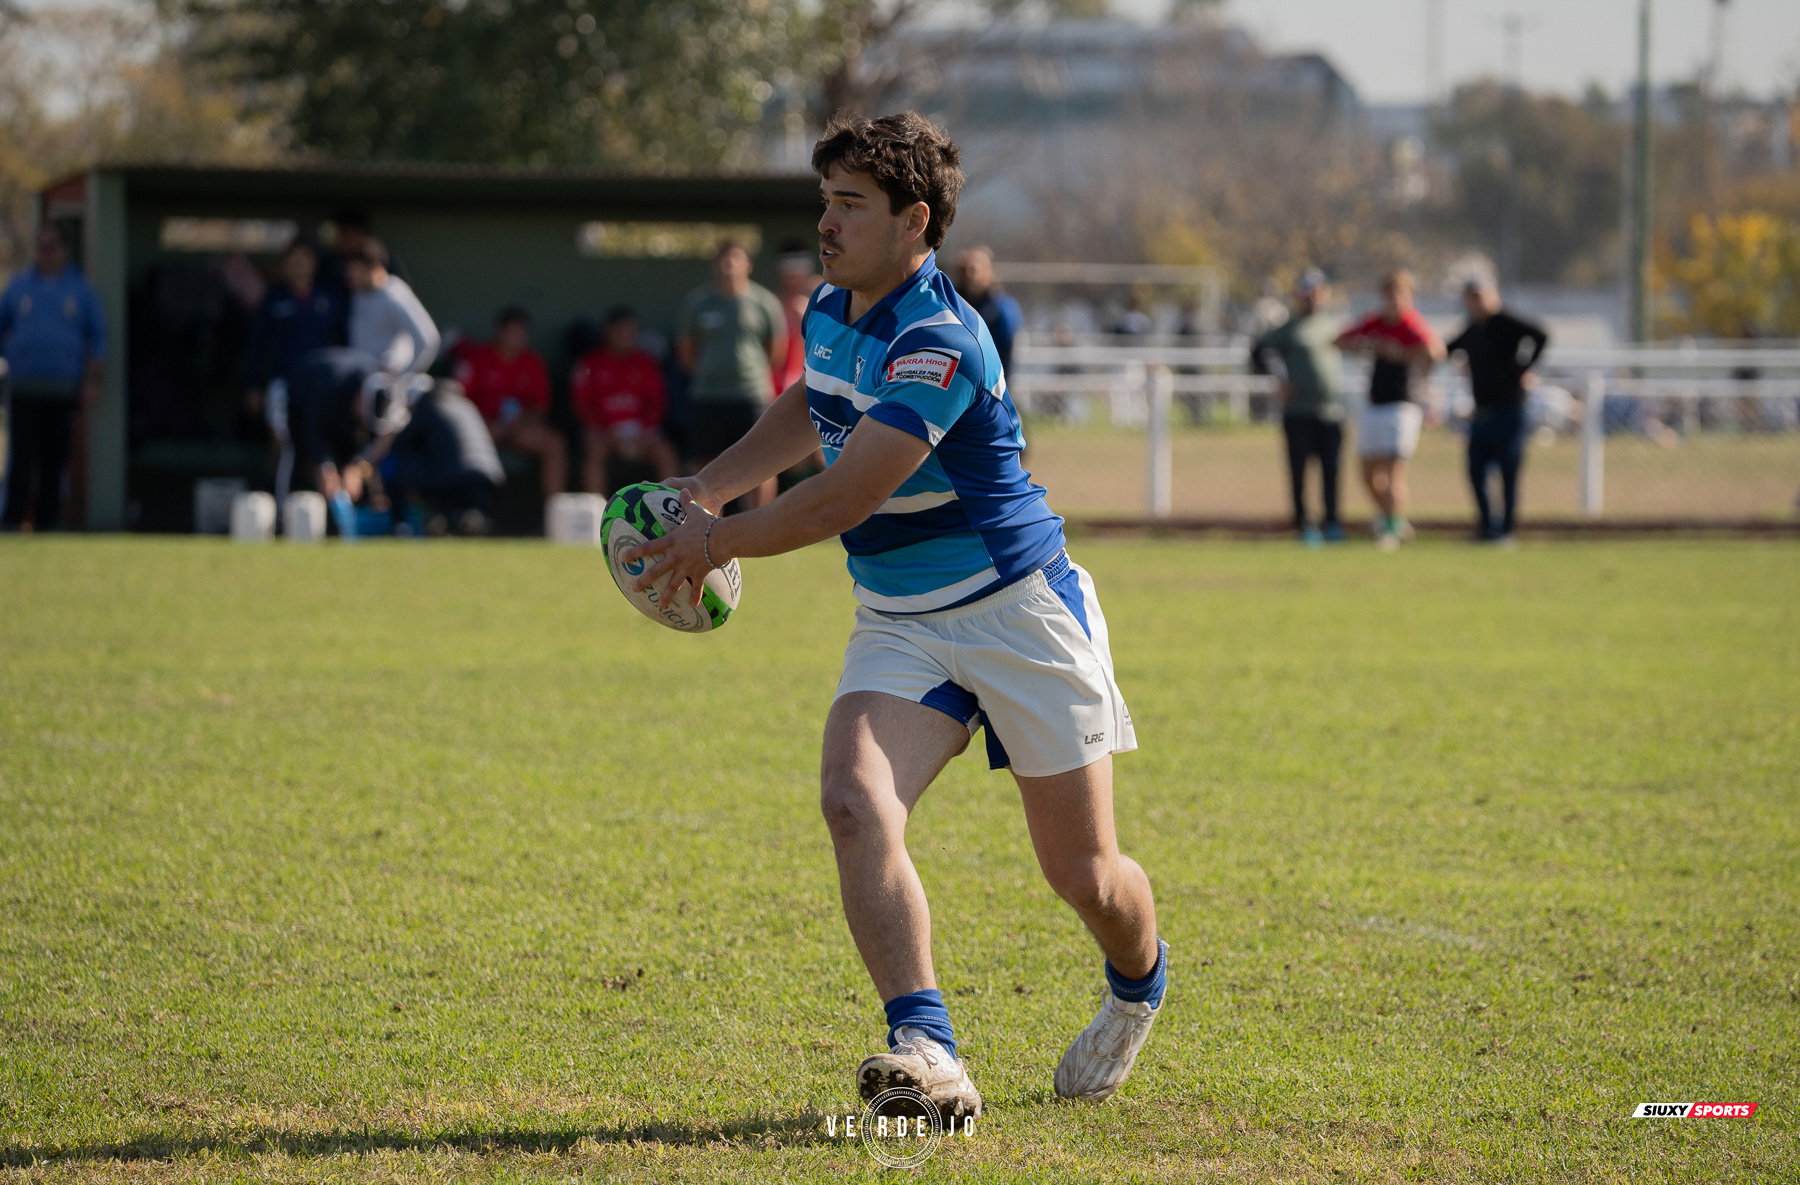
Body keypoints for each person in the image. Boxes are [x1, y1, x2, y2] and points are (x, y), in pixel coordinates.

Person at [624, 112, 1165, 1123]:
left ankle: (1138, 987)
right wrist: (712, 485)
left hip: (1020, 613)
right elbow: (810, 403)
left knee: (1084, 875)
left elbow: (843, 498)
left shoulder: (943, 342)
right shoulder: (832, 303)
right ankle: (929, 1051)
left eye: (850, 206)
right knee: (854, 801)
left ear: (915, 221)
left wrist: (714, 542)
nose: (824, 225)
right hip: (902, 620)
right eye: (823, 201)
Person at [0, 224, 106, 531]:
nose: (45, 251)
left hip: (63, 389)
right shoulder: (19, 286)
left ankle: (48, 521)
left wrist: (93, 379)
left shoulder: (80, 289)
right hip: (23, 386)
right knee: (21, 457)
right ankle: (13, 519)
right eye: (41, 245)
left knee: (54, 458)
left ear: (65, 250)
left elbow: (98, 336)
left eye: (52, 245)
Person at [1335, 270, 1444, 550]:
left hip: (1402, 405)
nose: (1393, 299)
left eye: (1400, 293)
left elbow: (1436, 351)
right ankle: (1392, 519)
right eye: (1389, 293)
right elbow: (1338, 341)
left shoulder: (1411, 324)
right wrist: (1370, 345)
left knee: (1392, 473)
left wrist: (1402, 352)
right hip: (1374, 404)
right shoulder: (1374, 322)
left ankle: (1391, 529)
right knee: (1367, 473)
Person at [675, 240, 786, 510]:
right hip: (708, 397)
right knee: (706, 466)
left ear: (747, 264)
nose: (729, 266)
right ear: (715, 265)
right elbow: (686, 353)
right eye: (723, 259)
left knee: (762, 463)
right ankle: (706, 529)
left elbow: (777, 351)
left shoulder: (765, 303)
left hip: (752, 396)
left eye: (735, 259)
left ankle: (760, 527)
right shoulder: (698, 304)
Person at [1447, 279, 1549, 544]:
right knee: (1475, 470)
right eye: (1472, 297)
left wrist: (1523, 368)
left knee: (1508, 472)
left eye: (1481, 296)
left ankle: (1507, 530)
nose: (1477, 302)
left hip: (1510, 410)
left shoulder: (1506, 323)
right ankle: (1486, 527)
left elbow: (1541, 335)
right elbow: (1446, 349)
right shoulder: (1472, 330)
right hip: (1481, 413)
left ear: (1494, 297)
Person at [1251, 269, 1346, 545]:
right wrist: (1278, 381)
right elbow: (1258, 351)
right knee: (1299, 471)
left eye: (1317, 292)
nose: (1312, 298)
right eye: (1306, 293)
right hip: (1298, 412)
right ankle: (1304, 524)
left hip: (1331, 411)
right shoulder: (1290, 329)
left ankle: (1332, 523)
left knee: (1331, 470)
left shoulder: (1334, 326)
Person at [451, 307, 568, 502]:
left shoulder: (533, 362)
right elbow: (457, 400)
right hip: (482, 427)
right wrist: (483, 423)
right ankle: (465, 508)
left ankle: (555, 511)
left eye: (521, 333)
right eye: (511, 332)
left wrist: (521, 423)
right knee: (458, 442)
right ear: (500, 331)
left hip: (520, 428)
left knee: (555, 444)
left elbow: (540, 406)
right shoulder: (477, 357)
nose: (516, 338)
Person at [571, 306, 678, 492]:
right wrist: (610, 434)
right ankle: (598, 512)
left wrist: (644, 431)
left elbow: (657, 403)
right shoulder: (590, 363)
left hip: (640, 430)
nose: (626, 336)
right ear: (608, 332)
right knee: (594, 451)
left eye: (630, 331)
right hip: (603, 430)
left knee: (665, 453)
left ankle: (669, 513)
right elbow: (582, 406)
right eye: (620, 331)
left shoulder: (645, 362)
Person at [952, 246, 1024, 378]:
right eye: (964, 270)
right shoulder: (952, 303)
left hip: (991, 379)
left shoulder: (1002, 308)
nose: (969, 275)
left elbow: (1006, 351)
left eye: (974, 269)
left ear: (990, 271)